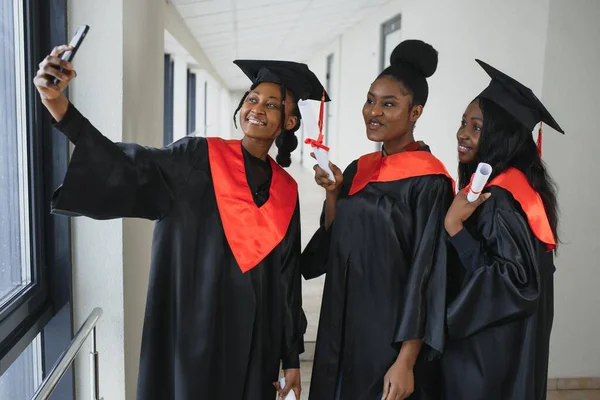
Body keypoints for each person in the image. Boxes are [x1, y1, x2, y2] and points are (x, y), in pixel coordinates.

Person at [33, 46, 331, 400]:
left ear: (290, 122)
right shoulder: (196, 157)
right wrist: (59, 106)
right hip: (190, 331)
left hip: (255, 342)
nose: (258, 108)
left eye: (272, 104)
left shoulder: (287, 190)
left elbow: (286, 278)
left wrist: (291, 357)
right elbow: (130, 165)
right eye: (253, 99)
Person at [301, 40, 455, 400]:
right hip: (341, 319)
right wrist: (333, 192)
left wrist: (406, 359)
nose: (374, 111)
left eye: (389, 104)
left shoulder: (430, 182)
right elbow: (336, 238)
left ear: (415, 112)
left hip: (388, 334)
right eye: (370, 100)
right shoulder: (359, 168)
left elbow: (427, 274)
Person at [441, 59, 563, 400]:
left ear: (502, 135)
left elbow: (509, 283)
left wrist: (454, 227)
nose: (462, 134)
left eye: (477, 127)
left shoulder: (499, 199)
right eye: (463, 123)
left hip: (486, 355)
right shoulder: (524, 190)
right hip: (511, 348)